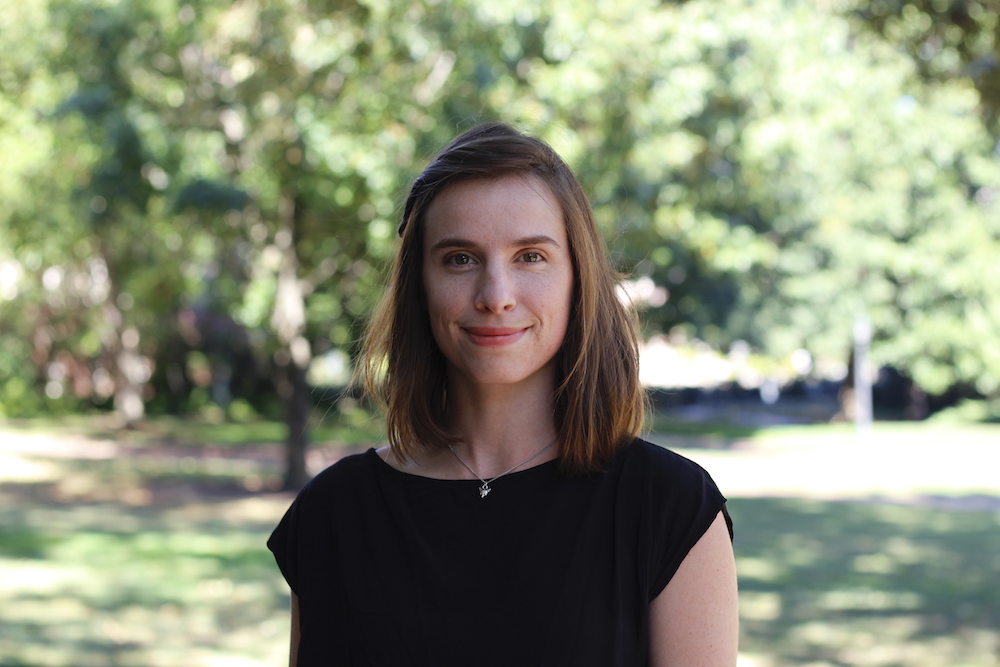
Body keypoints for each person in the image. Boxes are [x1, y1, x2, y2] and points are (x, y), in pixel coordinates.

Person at [268, 122, 738, 666]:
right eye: (459, 258)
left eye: (530, 256)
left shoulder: (670, 509)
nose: (495, 295)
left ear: (576, 278)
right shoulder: (334, 514)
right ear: (420, 286)